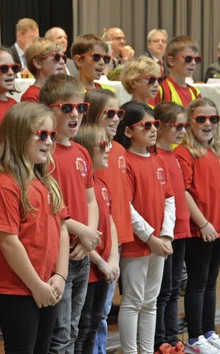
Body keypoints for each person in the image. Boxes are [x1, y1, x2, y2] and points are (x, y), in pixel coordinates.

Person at [0, 102, 69, 353]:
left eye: (52, 135)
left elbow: (62, 229)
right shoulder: (6, 184)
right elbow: (8, 241)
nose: (48, 141)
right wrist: (36, 285)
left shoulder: (47, 182)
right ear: (18, 136)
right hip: (18, 288)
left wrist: (61, 275)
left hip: (48, 283)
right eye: (41, 134)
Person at [39, 74, 102, 354]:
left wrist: (90, 236)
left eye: (81, 108)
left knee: (74, 329)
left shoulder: (81, 152)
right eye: (67, 108)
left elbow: (91, 199)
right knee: (60, 333)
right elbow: (51, 209)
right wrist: (82, 232)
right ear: (48, 110)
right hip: (57, 256)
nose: (75, 114)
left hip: (81, 252)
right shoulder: (44, 154)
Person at [175, 98, 220, 354]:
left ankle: (209, 332)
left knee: (211, 282)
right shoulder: (185, 152)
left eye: (213, 119)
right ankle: (195, 337)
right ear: (190, 121)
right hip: (199, 229)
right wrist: (203, 222)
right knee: (198, 283)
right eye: (201, 119)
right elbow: (184, 192)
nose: (207, 124)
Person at [113, 101, 174, 354]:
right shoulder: (125, 161)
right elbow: (126, 206)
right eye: (146, 125)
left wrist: (166, 235)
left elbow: (170, 199)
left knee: (150, 302)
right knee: (133, 302)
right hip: (137, 243)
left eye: (155, 125)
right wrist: (150, 237)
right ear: (128, 131)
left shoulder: (157, 159)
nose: (153, 130)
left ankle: (147, 351)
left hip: (159, 242)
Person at [81, 88, 133, 353]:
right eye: (109, 113)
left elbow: (119, 203)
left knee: (101, 313)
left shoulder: (119, 149)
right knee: (89, 317)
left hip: (114, 241)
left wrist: (114, 253)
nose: (116, 118)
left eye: (119, 113)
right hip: (93, 247)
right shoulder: (86, 153)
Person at [72, 124, 120, 354]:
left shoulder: (100, 184)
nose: (109, 148)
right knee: (82, 328)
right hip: (88, 268)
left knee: (93, 326)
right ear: (85, 151)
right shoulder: (80, 188)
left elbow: (110, 223)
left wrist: (113, 260)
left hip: (104, 269)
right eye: (103, 144)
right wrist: (99, 262)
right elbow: (78, 233)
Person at [152, 102, 190, 354]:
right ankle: (159, 341)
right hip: (165, 231)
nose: (182, 131)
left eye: (185, 126)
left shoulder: (175, 155)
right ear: (162, 126)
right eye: (177, 126)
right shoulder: (155, 156)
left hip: (182, 229)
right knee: (163, 290)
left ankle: (172, 336)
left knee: (174, 287)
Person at [151, 36, 202, 108]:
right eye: (188, 59)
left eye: (197, 59)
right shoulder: (159, 89)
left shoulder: (195, 92)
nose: (193, 63)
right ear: (171, 61)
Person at [21, 38, 66, 102]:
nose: (62, 61)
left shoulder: (61, 93)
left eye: (63, 57)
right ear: (38, 63)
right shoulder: (30, 97)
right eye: (57, 57)